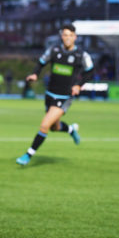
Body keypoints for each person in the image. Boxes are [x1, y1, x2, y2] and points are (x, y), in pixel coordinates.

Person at [16, 24, 93, 166]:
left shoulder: (82, 55)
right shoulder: (54, 50)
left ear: (75, 37)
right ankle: (71, 130)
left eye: (70, 35)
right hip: (50, 94)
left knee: (44, 125)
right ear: (61, 36)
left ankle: (28, 155)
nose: (68, 38)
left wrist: (78, 85)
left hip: (64, 97)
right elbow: (40, 63)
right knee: (54, 127)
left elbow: (90, 72)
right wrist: (35, 74)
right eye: (65, 35)